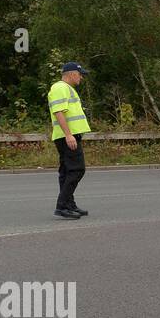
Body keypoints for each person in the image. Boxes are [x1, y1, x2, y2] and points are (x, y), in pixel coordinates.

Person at [48, 62, 92, 219]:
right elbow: (58, 112)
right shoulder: (60, 87)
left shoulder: (67, 88)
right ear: (72, 74)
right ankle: (62, 205)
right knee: (77, 169)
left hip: (68, 136)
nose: (81, 77)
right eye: (80, 74)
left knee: (67, 171)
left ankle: (69, 204)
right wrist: (68, 135)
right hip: (67, 137)